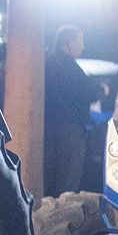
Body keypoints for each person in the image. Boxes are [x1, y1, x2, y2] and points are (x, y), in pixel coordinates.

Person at [43, 25, 100, 196]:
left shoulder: (48, 63)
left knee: (50, 178)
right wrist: (99, 91)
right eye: (79, 41)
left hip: (50, 129)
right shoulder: (69, 67)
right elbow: (83, 92)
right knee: (67, 182)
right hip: (70, 132)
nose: (82, 46)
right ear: (67, 43)